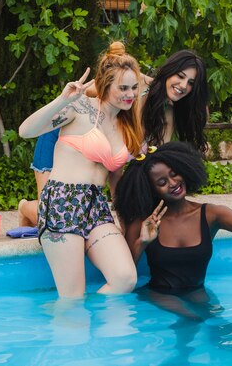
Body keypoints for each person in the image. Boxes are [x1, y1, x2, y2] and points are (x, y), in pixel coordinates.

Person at [17, 49, 210, 226]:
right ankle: (25, 207)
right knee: (49, 217)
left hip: (94, 151)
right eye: (180, 76)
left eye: (191, 83)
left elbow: (153, 166)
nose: (183, 85)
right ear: (170, 71)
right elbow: (92, 91)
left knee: (73, 216)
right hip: (61, 134)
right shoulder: (137, 88)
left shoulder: (168, 113)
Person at [18, 41, 143, 298]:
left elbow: (117, 179)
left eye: (133, 87)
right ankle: (67, 324)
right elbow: (25, 131)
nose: (130, 94)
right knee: (72, 297)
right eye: (123, 88)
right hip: (63, 202)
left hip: (97, 207)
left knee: (125, 279)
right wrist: (62, 100)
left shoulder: (126, 125)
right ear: (105, 85)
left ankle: (96, 328)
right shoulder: (79, 109)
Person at [113, 141, 232, 293]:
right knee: (193, 321)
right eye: (162, 182)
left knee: (225, 331)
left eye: (175, 174)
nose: (173, 183)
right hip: (159, 295)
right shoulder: (143, 223)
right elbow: (125, 272)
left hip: (197, 293)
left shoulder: (211, 214)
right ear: (152, 190)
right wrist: (142, 242)